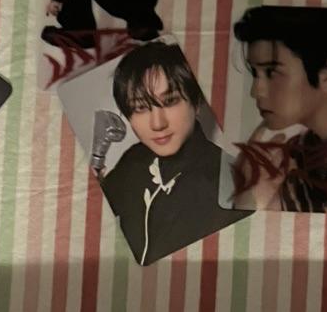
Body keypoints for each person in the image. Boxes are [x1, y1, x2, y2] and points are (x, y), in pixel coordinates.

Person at [100, 41, 253, 265]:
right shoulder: (134, 159)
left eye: (170, 101)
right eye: (140, 107)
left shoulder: (232, 184)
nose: (157, 123)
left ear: (196, 102)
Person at [231, 5, 327, 213]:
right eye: (255, 73)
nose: (256, 91)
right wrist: (250, 194)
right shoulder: (296, 155)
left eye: (272, 72)